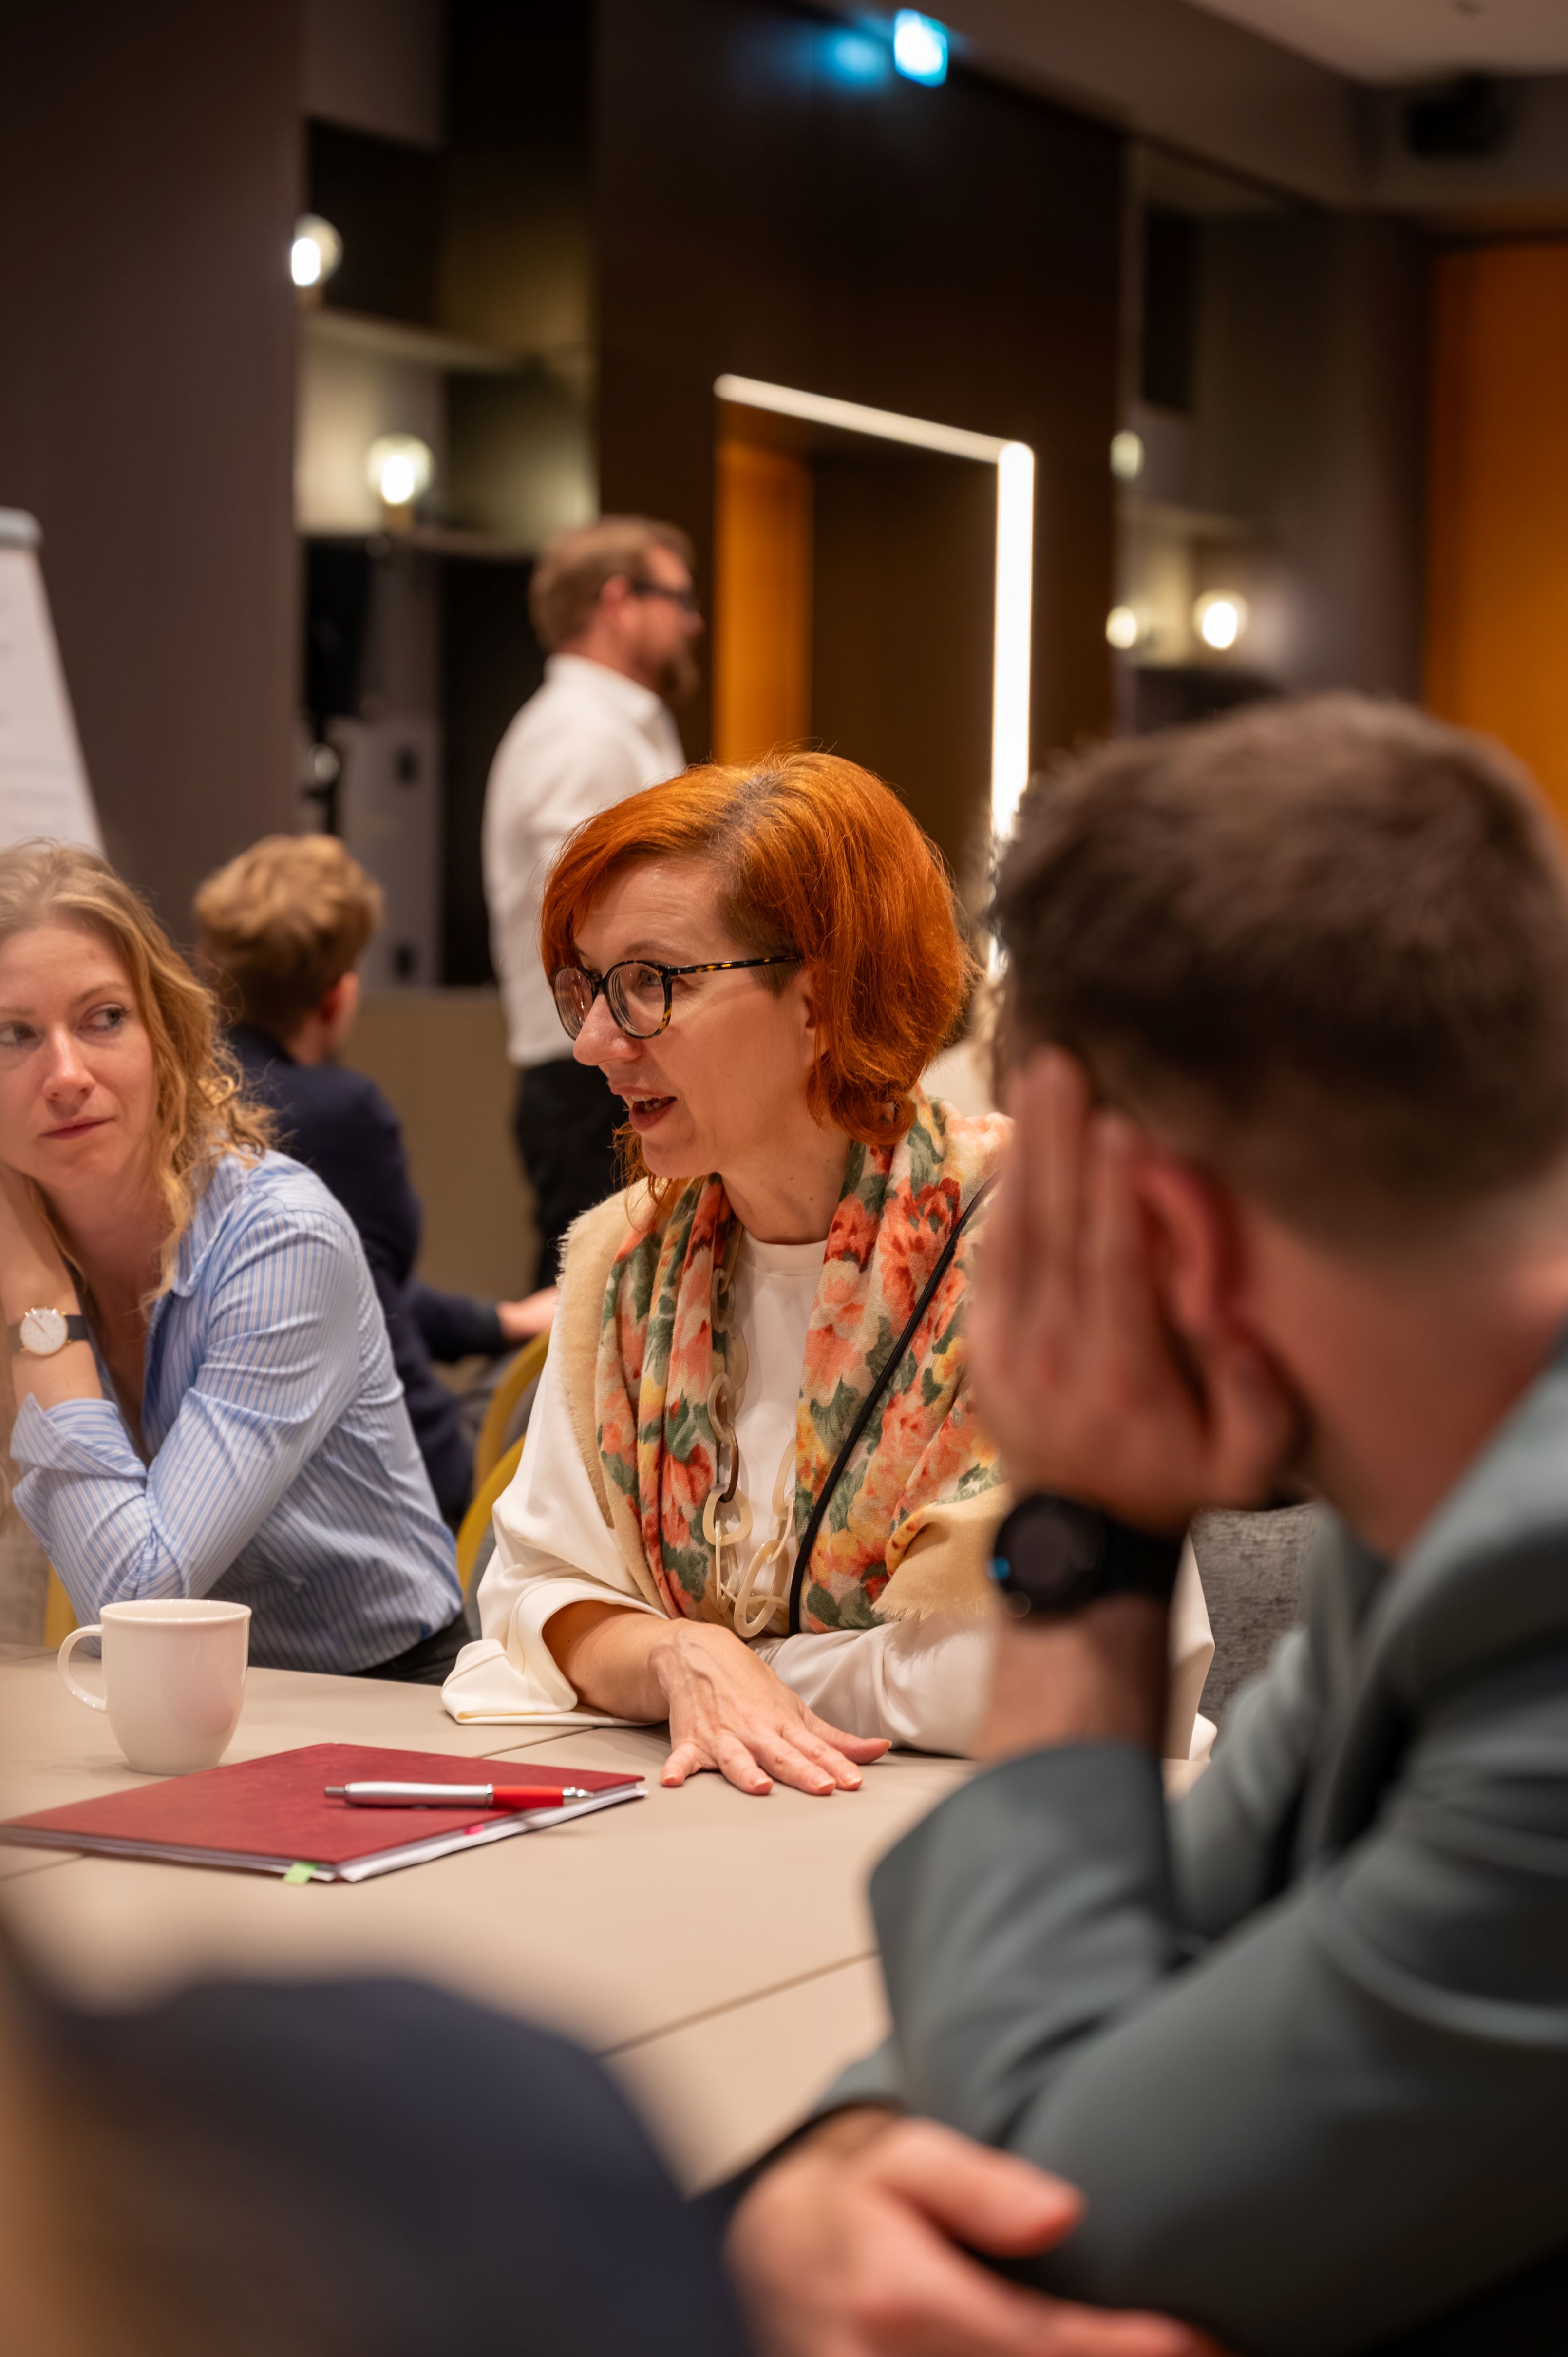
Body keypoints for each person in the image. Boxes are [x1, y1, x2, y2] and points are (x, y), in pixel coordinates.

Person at [728, 696, 1568, 2355]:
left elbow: (1052, 2197)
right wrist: (829, 2163)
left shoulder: (1528, 1588)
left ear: (1152, 1226)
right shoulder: (1442, 1501)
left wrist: (1083, 1535)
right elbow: (1118, 1963)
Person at [445, 752, 1211, 1791]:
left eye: (648, 984)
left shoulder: (1048, 1247)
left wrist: (742, 1667)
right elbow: (531, 1595)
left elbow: (1079, 1662)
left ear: (817, 1001)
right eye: (586, 986)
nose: (592, 1042)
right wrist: (678, 1657)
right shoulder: (627, 1268)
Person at [0, 1923, 1208, 2357]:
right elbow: (527, 1600)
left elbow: (945, 1674)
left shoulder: (441, 2181)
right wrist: (660, 1648)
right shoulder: (458, 2149)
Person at [0, 840, 463, 1681]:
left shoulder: (279, 1236)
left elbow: (136, 1595)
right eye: (13, 1034)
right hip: (146, 1700)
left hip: (381, 1698)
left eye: (104, 1018)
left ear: (163, 1032)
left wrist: (37, 1302)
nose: (66, 1074)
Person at [193, 834, 554, 1528]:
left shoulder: (182, 1098)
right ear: (339, 995)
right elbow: (377, 1329)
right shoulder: (340, 1114)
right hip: (372, 1491)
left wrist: (499, 1321)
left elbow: (337, 1287)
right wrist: (451, 1500)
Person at [484, 515, 702, 1288]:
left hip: (612, 1057)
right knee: (593, 1312)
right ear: (618, 601)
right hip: (592, 1068)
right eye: (679, 599)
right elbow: (591, 919)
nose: (693, 622)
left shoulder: (618, 724)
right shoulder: (578, 733)